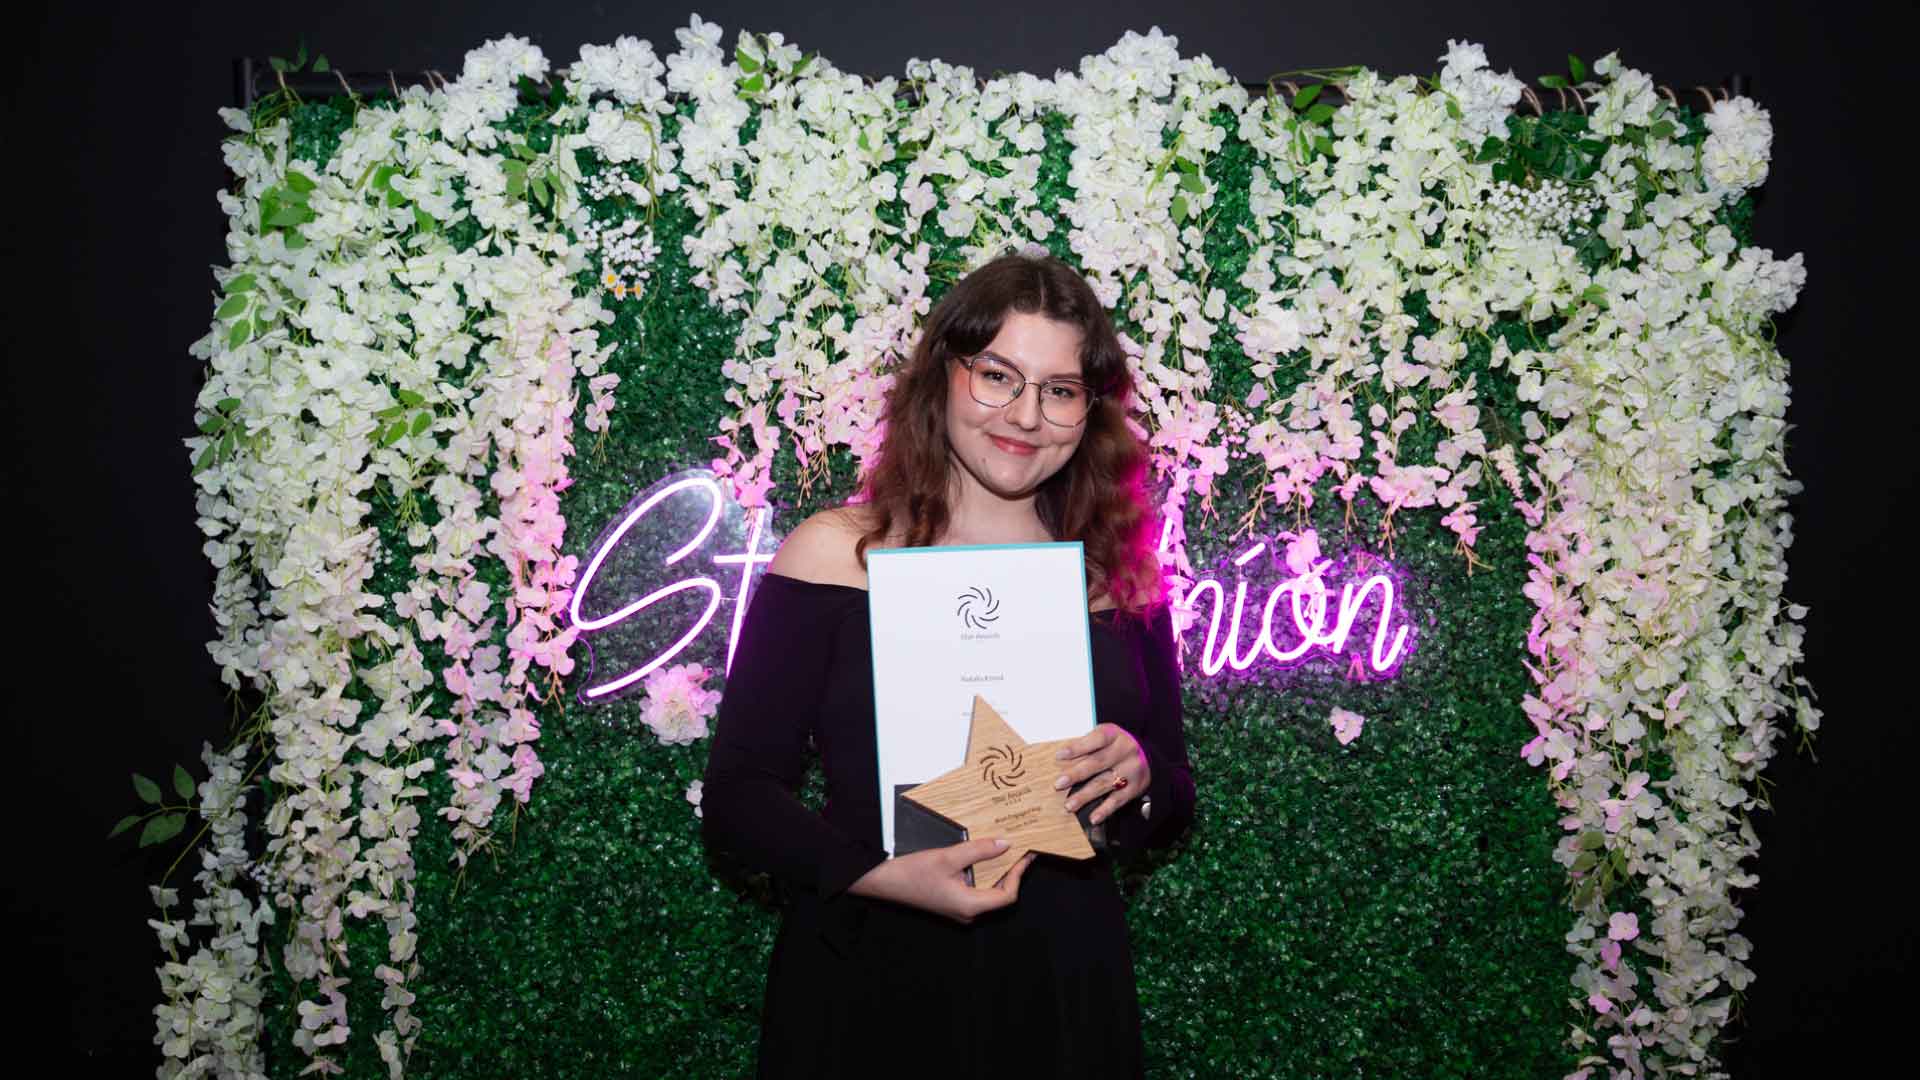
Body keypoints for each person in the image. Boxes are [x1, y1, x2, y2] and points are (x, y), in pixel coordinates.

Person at [700, 250, 1194, 1078]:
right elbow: (739, 798)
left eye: (1061, 390)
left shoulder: (1116, 574)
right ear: (942, 377)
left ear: (1089, 411)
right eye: (997, 375)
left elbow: (1175, 792)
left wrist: (1140, 778)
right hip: (870, 980)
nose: (1026, 415)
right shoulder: (836, 554)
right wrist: (883, 877)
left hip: (1063, 988)